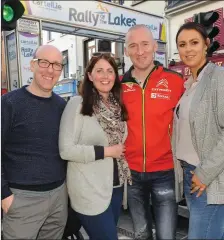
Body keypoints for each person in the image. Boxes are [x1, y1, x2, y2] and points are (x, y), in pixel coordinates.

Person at [59, 53, 132, 240]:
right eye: (99, 71)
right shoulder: (77, 104)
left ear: (116, 76)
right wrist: (107, 152)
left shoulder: (118, 106)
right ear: (90, 76)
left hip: (115, 187)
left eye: (110, 71)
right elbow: (66, 149)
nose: (105, 76)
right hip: (88, 190)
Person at [121, 24, 184, 240]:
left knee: (166, 235)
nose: (140, 51)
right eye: (133, 46)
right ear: (127, 50)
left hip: (164, 172)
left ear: (155, 46)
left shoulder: (175, 81)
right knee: (141, 234)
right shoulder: (119, 86)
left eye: (145, 44)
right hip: (132, 174)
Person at [1, 45, 68, 239]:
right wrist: (3, 193)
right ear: (32, 65)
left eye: (56, 65)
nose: (50, 70)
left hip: (58, 197)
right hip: (22, 199)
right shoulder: (9, 103)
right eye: (44, 62)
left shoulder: (61, 106)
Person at [173, 21, 224, 239]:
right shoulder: (189, 84)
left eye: (194, 42)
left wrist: (204, 174)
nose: (188, 49)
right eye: (182, 44)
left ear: (206, 44)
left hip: (207, 178)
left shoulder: (218, 78)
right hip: (190, 175)